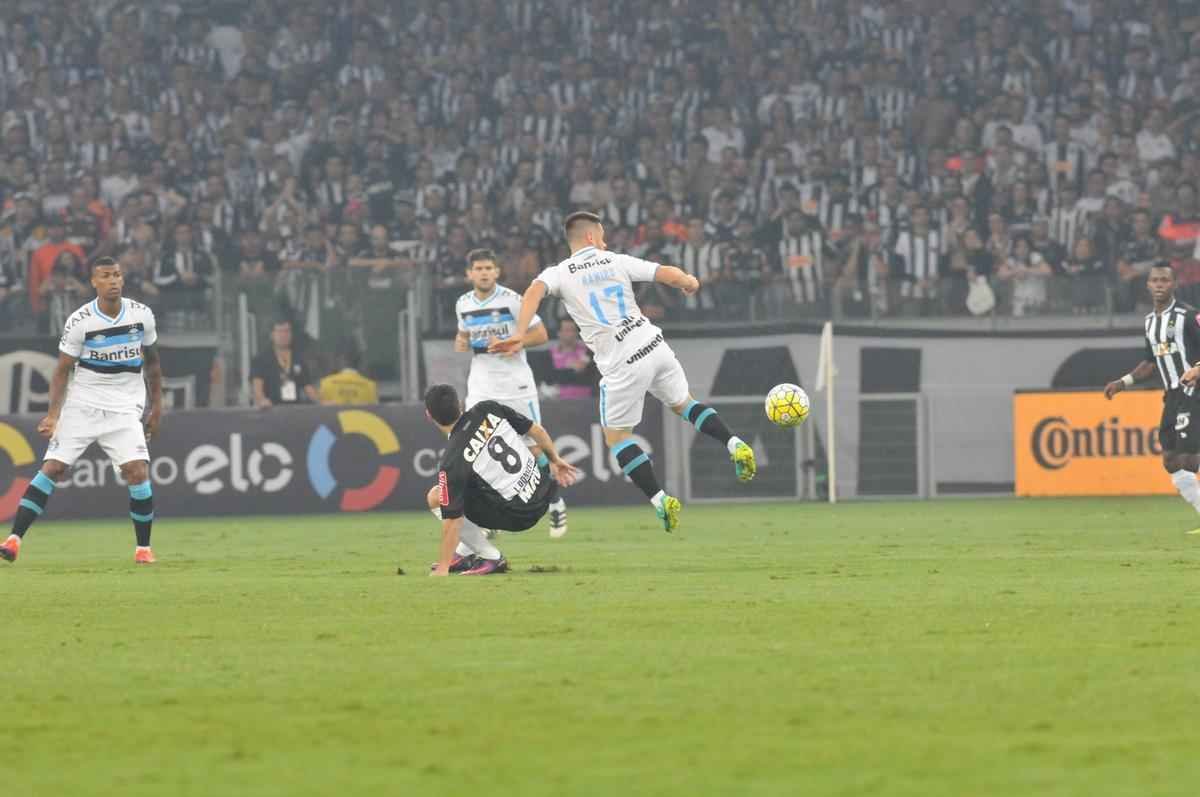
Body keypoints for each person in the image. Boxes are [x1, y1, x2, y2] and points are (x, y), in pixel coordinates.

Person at [491, 211, 757, 533]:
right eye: (602, 235)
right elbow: (665, 274)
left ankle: (660, 499)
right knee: (685, 405)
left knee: (617, 438)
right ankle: (733, 443)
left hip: (622, 361)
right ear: (590, 237)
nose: (604, 241)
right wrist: (689, 281)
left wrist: (520, 331)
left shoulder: (559, 273)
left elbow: (533, 291)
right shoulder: (615, 260)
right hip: (653, 344)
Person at [1, 256, 163, 565]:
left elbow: (154, 365)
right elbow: (62, 370)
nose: (113, 280)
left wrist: (157, 408)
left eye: (117, 275)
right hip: (83, 403)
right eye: (106, 276)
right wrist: (53, 414)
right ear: (94, 282)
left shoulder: (142, 315)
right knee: (53, 468)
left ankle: (143, 548)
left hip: (126, 406)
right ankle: (14, 539)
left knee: (137, 471)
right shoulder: (80, 320)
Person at [453, 248, 569, 537]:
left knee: (532, 448)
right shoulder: (462, 304)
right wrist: (462, 340)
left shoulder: (512, 300)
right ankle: (491, 516)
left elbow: (541, 334)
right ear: (469, 274)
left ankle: (555, 502)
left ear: (497, 272)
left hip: (515, 383)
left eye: (488, 268)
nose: (483, 273)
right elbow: (465, 336)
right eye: (477, 268)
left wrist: (514, 342)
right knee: (478, 449)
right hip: (480, 384)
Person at [424, 384, 580, 576]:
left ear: (429, 416)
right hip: (542, 489)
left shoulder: (451, 460)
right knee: (473, 484)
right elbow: (536, 431)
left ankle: (491, 557)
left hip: (520, 514)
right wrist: (555, 459)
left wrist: (442, 567)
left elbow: (452, 521)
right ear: (459, 403)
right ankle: (465, 554)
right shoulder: (487, 408)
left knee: (438, 496)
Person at [1105, 263, 1200, 528]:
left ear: (1174, 284)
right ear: (1148, 285)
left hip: (1194, 391)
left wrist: (1196, 370)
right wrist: (1123, 382)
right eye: (1155, 280)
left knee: (1190, 457)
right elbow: (1150, 362)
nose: (1159, 284)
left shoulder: (1188, 315)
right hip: (1171, 394)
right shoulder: (1150, 322)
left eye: (1164, 280)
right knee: (1171, 460)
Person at [251, 318, 318, 408]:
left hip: (294, 411)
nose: (284, 335)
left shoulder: (298, 359)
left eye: (287, 331)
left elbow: (308, 387)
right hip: (270, 410)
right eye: (280, 331)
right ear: (272, 335)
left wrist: (322, 402)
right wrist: (262, 400)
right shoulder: (261, 359)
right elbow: (257, 388)